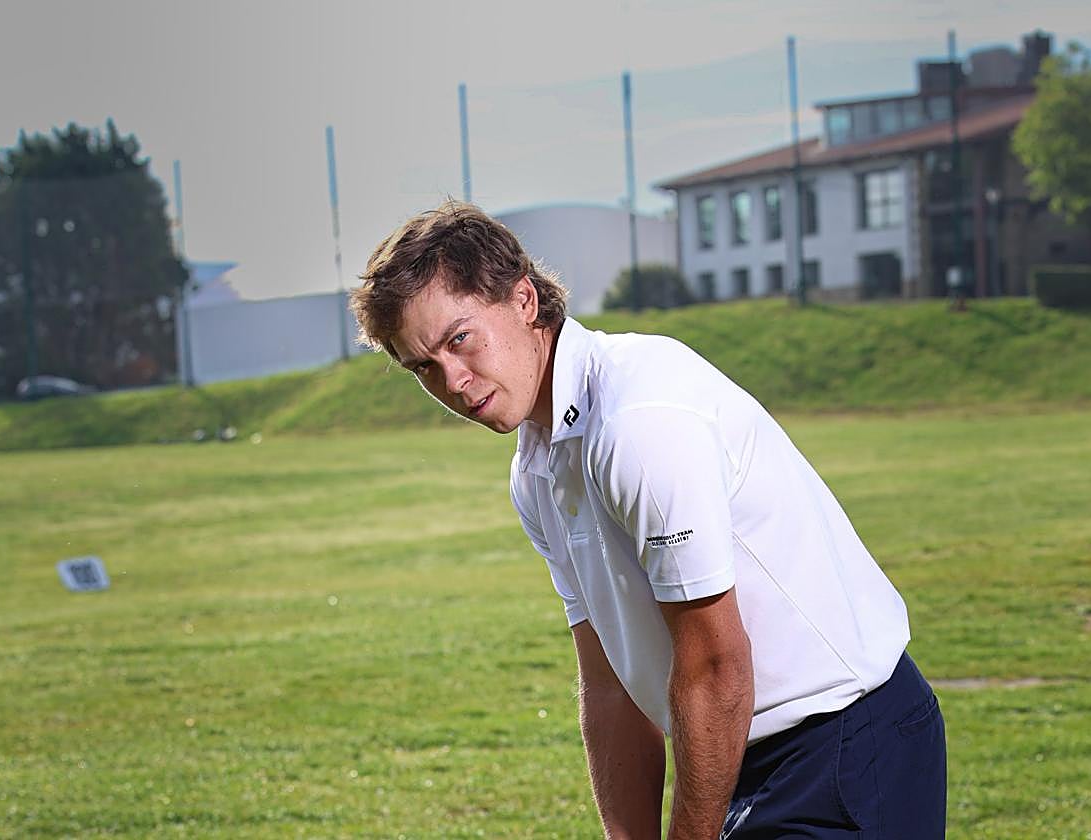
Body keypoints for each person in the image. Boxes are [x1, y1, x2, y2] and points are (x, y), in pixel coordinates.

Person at [350, 201, 947, 839]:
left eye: (458, 339)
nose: (454, 382)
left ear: (523, 299)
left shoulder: (637, 419)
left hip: (844, 746)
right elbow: (610, 687)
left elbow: (718, 666)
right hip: (735, 751)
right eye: (423, 368)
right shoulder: (534, 468)